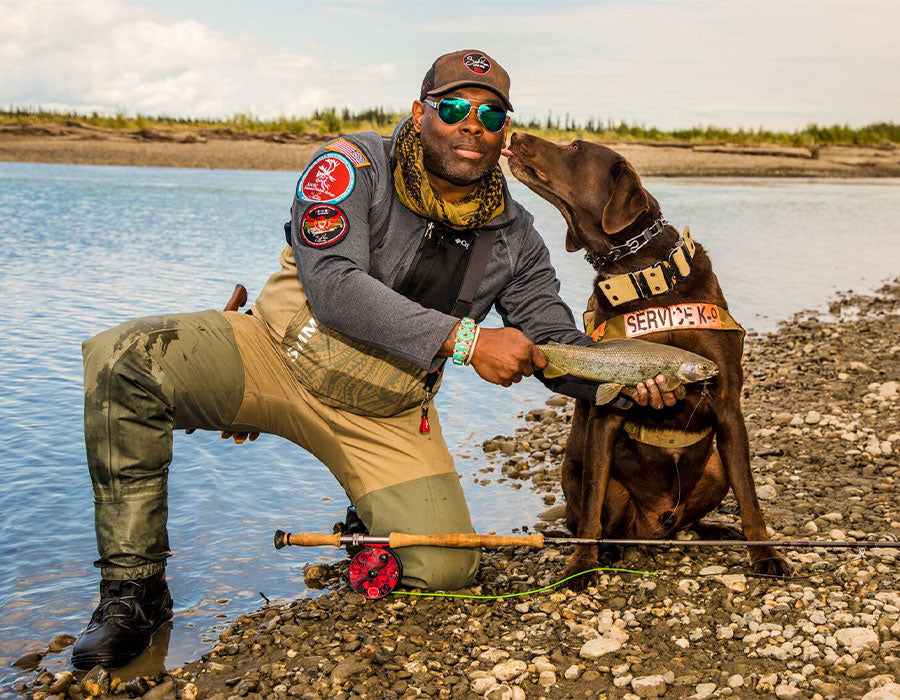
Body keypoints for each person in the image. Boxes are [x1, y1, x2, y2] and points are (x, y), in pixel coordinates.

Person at [71, 49, 681, 670]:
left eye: (491, 114)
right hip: (273, 354)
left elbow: (554, 340)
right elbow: (334, 286)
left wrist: (632, 382)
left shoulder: (518, 237)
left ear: (503, 135)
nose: (473, 123)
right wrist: (466, 343)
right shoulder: (350, 164)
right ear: (420, 114)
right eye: (453, 107)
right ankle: (134, 593)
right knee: (124, 360)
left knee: (445, 571)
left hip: (386, 409)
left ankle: (365, 514)